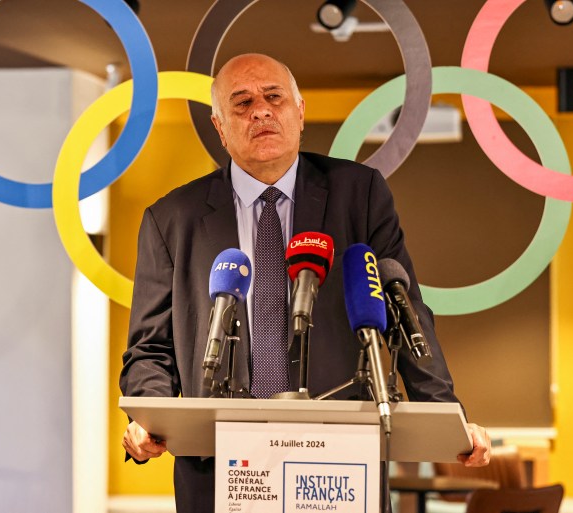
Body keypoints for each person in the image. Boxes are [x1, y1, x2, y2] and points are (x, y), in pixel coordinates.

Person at [120, 53, 491, 512]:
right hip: (223, 470)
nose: (261, 111)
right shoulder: (171, 219)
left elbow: (403, 309)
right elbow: (149, 348)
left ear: (300, 113)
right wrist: (148, 416)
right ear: (220, 127)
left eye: (274, 97)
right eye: (242, 103)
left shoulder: (360, 194)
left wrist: (447, 417)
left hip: (338, 464)